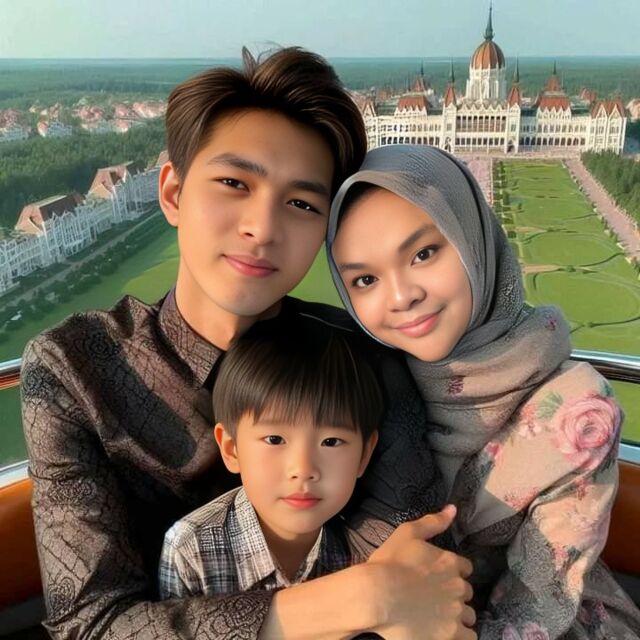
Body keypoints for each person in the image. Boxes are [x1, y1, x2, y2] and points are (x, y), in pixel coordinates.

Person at [21, 50, 475, 639]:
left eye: (301, 203)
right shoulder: (73, 369)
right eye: (235, 183)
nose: (262, 229)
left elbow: (421, 572)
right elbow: (89, 626)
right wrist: (362, 597)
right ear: (173, 194)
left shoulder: (361, 355)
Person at [327, 144, 640, 639]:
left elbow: (535, 608)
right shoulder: (359, 380)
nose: (402, 296)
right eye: (365, 279)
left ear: (473, 239)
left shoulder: (578, 412)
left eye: (423, 253)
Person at [158, 323, 381, 598]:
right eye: (275, 439)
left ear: (364, 454)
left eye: (331, 442)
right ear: (231, 448)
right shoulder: (190, 549)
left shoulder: (373, 541)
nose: (303, 470)